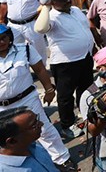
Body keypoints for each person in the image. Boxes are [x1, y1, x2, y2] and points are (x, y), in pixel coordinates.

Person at [0, 24, 73, 170]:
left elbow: (39, 69)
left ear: (10, 38)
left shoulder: (25, 49)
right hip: (2, 107)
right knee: (8, 139)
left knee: (43, 129)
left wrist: (49, 89)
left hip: (27, 99)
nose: (1, 42)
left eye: (3, 38)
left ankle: (62, 158)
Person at [33, 0, 94, 140]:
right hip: (65, 63)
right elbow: (40, 28)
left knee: (86, 89)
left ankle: (85, 113)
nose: (68, 1)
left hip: (85, 57)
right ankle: (67, 125)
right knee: (66, 96)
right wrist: (46, 7)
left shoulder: (75, 10)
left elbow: (85, 28)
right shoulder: (51, 16)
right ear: (52, 2)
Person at [0, 0, 47, 67]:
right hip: (13, 25)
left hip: (31, 24)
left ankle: (42, 71)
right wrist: (1, 20)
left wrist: (41, 13)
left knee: (38, 49)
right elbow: (3, 5)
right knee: (13, 48)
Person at [0, 107, 65, 172]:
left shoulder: (34, 146)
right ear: (12, 141)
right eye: (34, 125)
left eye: (37, 119)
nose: (41, 123)